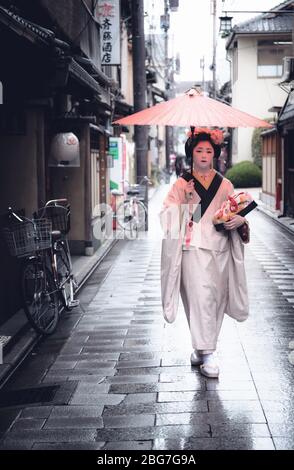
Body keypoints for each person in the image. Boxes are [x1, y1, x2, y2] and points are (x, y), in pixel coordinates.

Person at [159, 128, 250, 378]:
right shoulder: (181, 184)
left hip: (219, 249)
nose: (203, 155)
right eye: (199, 150)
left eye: (209, 151)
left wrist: (239, 221)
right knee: (199, 300)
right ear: (191, 153)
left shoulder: (226, 184)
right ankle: (208, 352)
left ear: (215, 154)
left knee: (215, 301)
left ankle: (201, 349)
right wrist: (188, 201)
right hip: (192, 249)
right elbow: (171, 219)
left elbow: (235, 212)